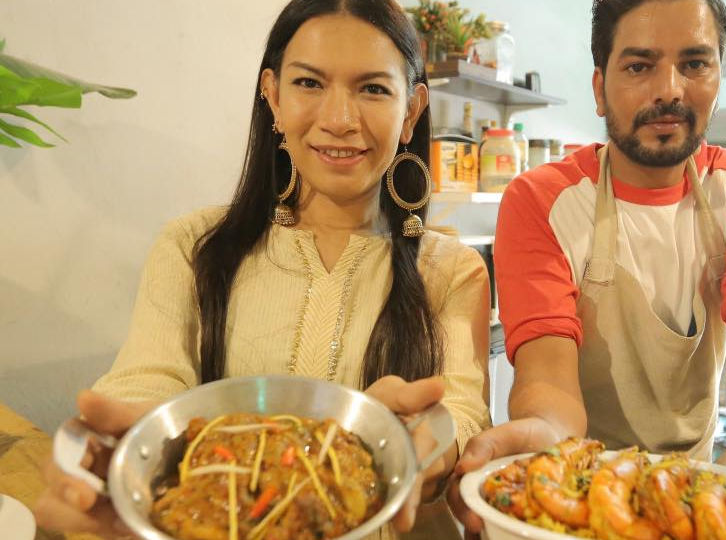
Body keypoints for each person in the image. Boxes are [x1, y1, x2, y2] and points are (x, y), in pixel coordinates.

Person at [33, 1, 491, 538]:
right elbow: (148, 379)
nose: (339, 120)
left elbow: (458, 413)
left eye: (373, 89)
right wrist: (128, 450)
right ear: (272, 95)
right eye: (309, 83)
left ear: (411, 111)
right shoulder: (192, 247)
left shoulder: (453, 270)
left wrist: (415, 441)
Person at [450, 0, 726, 538]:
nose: (670, 89)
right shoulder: (541, 199)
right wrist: (545, 432)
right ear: (600, 88)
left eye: (695, 63)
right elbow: (546, 371)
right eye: (639, 65)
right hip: (579, 481)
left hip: (693, 487)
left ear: (718, 74)